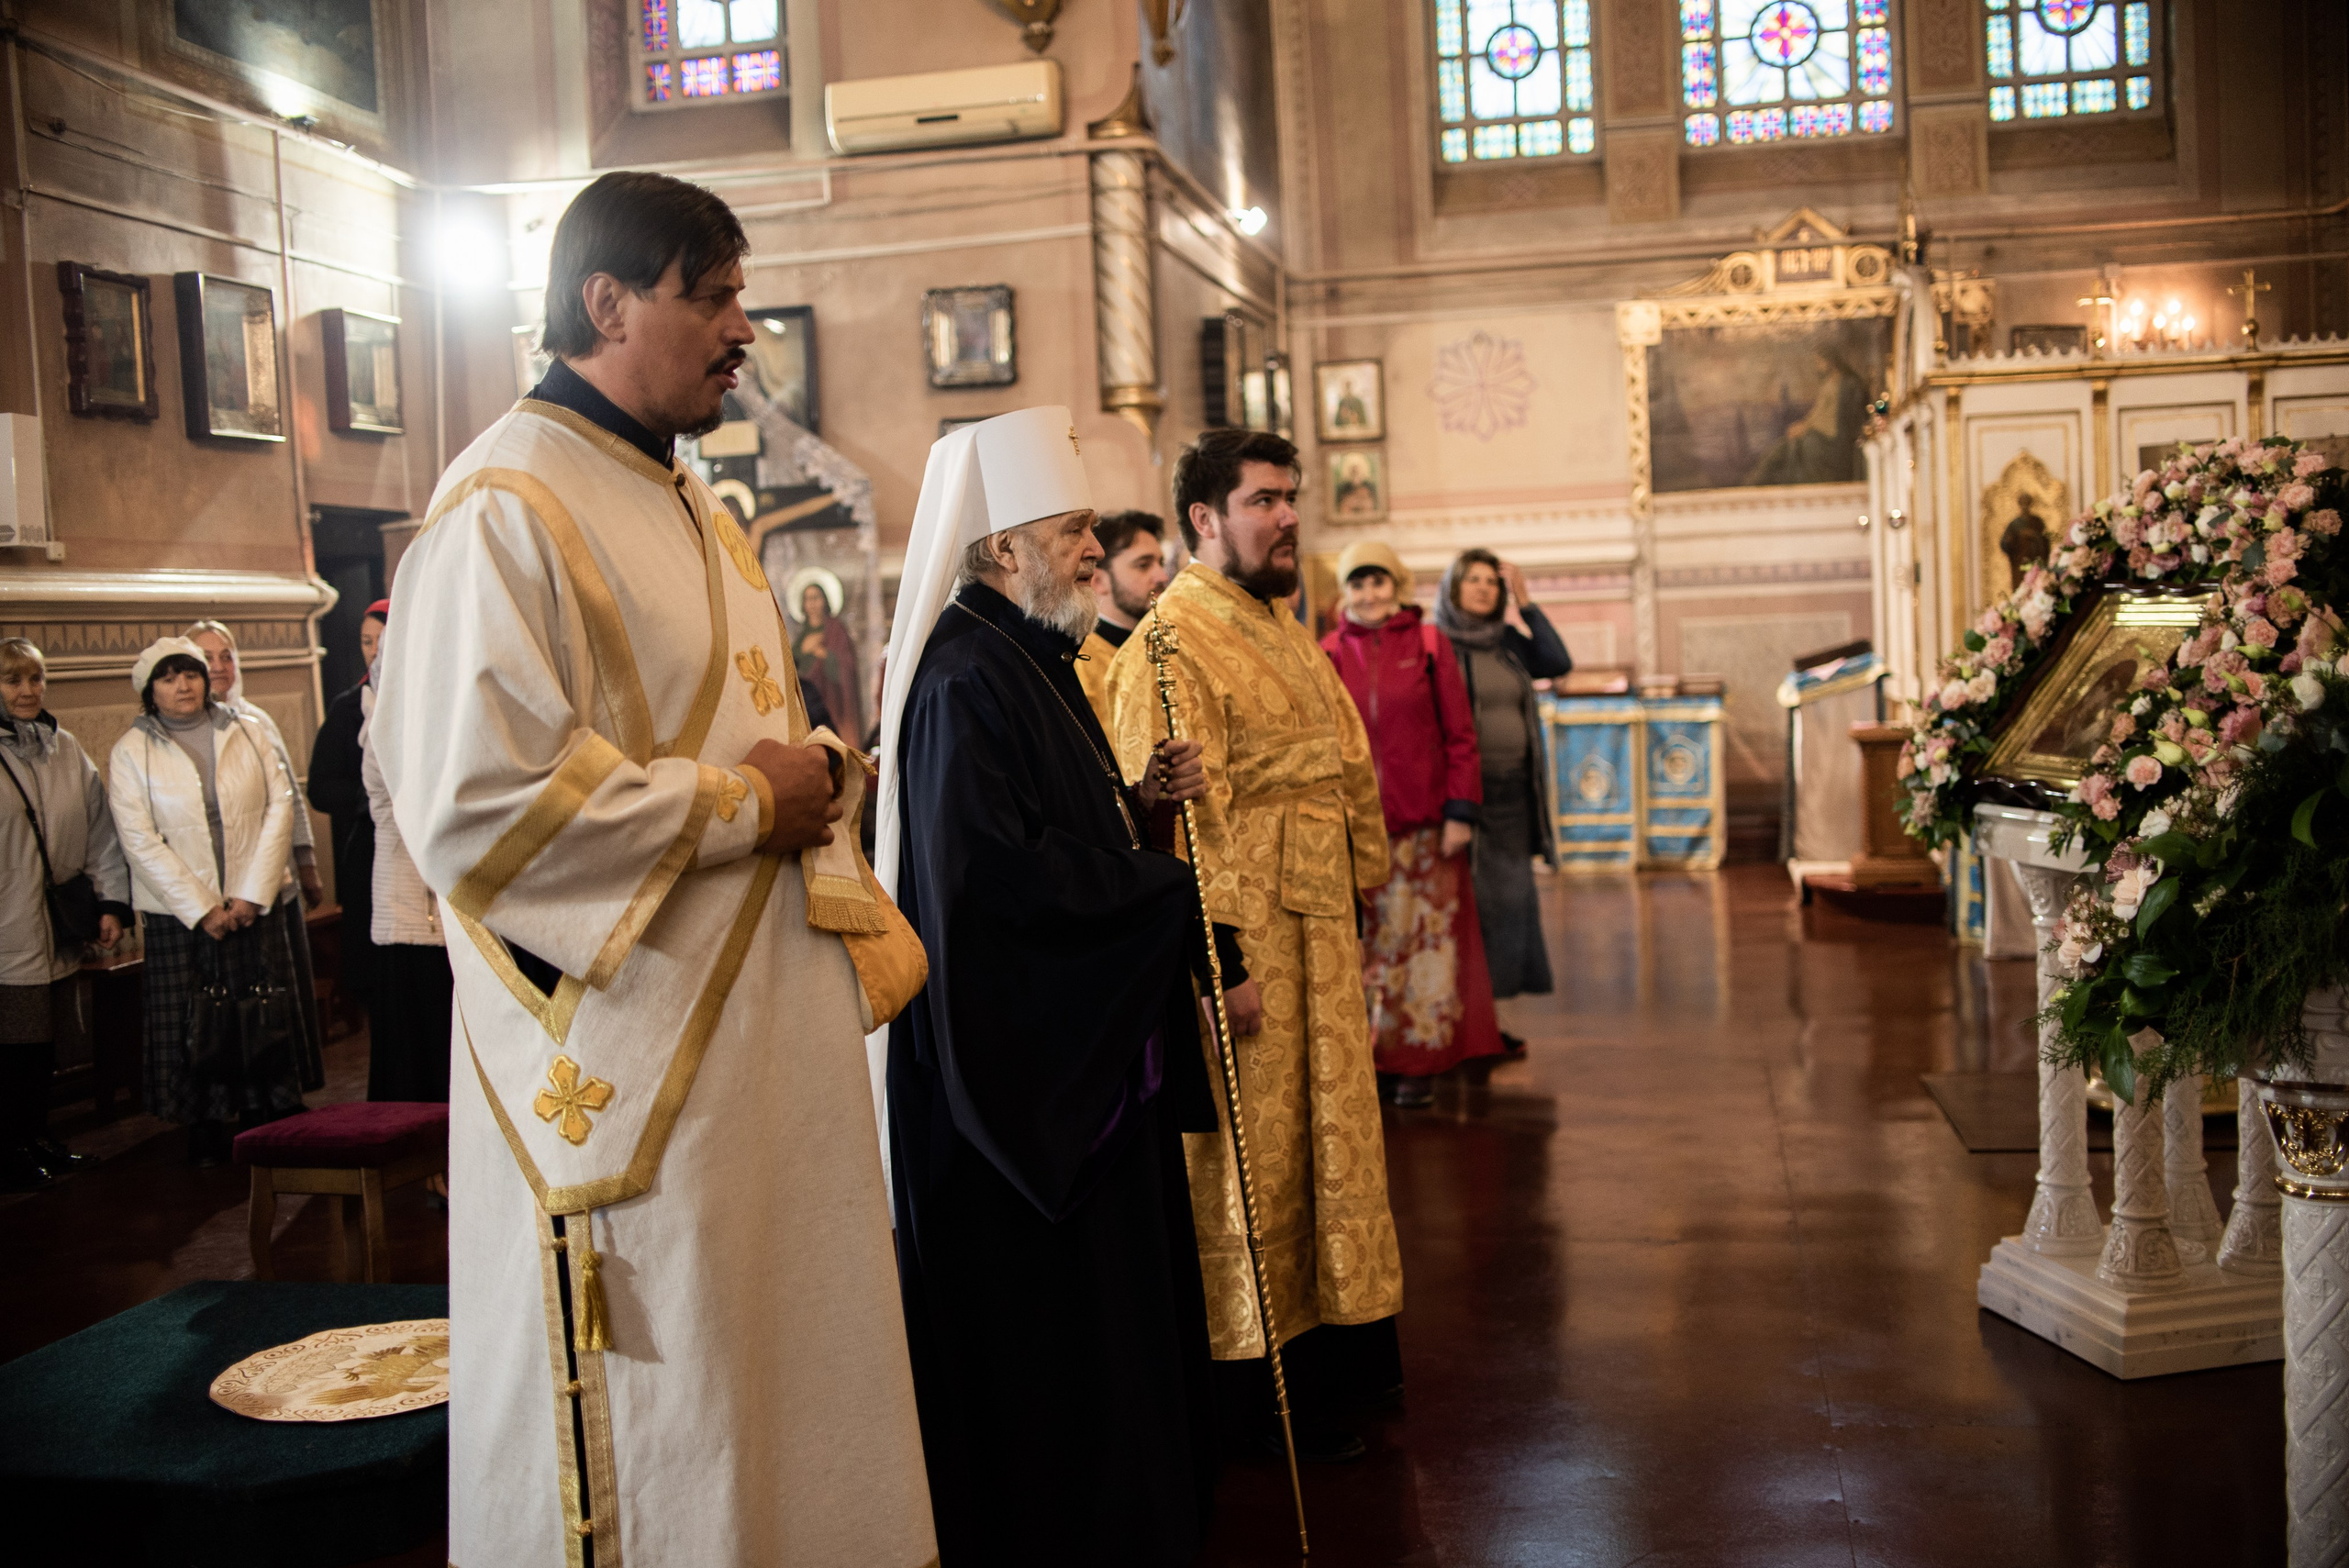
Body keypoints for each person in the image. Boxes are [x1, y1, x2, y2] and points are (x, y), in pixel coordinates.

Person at [373, 170, 934, 1566]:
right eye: (715, 295)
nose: (743, 329)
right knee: (669, 1407)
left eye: (744, 295)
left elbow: (752, 739)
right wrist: (747, 802)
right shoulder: (502, 505)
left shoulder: (692, 504)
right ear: (606, 301)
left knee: (773, 1385)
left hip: (757, 1065)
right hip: (630, 1066)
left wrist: (817, 776)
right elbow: (475, 801)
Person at [875, 407, 1219, 1565]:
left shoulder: (1029, 653)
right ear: (998, 547)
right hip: (1020, 1096)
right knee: (1053, 1357)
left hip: (1078, 1060)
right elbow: (991, 886)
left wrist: (1143, 813)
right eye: (1071, 529)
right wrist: (1157, 889)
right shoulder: (965, 675)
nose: (1092, 548)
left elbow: (1055, 834)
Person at [1105, 427, 1405, 1460]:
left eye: (1290, 498)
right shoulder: (1170, 643)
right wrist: (1215, 963)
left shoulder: (1277, 623)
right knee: (1255, 1167)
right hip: (1251, 953)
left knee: (1328, 1147)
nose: (1287, 518)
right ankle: (1257, 1393)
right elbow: (1180, 824)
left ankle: (1339, 1356)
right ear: (1204, 518)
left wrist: (1362, 879)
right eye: (1264, 500)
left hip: (1317, 935)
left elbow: (1342, 757)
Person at [110, 637, 306, 1167]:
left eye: (191, 674)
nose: (184, 685)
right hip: (181, 914)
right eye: (169, 677)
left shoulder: (247, 729)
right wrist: (202, 909)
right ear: (150, 691)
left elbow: (280, 806)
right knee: (195, 1018)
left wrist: (252, 893)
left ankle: (264, 1109)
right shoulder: (131, 751)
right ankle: (204, 1123)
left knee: (256, 1006)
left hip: (249, 901)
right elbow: (139, 839)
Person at [1322, 542, 1502, 1107]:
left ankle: (1419, 1059)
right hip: (1358, 831)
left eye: (1378, 582)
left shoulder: (1428, 644)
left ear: (1396, 586)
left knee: (1424, 947)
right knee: (1370, 946)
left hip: (1426, 828)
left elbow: (1460, 734)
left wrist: (1460, 811)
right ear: (1344, 592)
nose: (1368, 595)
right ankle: (1374, 1056)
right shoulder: (1327, 652)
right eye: (1357, 584)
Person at [0, 639, 128, 1189]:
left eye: (35, 679)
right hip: (8, 924)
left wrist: (110, 902)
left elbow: (100, 832)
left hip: (56, 922)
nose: (27, 691)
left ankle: (36, 1138)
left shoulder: (65, 748)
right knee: (15, 1046)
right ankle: (10, 1150)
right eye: (13, 680)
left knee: (47, 1042)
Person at [1434, 550, 1572, 1047]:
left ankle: (1485, 1023)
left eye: (1492, 582)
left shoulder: (1508, 641)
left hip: (1514, 794)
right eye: (1472, 580)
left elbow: (1556, 663)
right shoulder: (1436, 644)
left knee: (1509, 904)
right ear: (1453, 588)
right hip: (1461, 801)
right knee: (1465, 907)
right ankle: (1452, 1025)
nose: (1483, 589)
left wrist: (1527, 604)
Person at [186, 619, 327, 1095]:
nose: (219, 667)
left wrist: (306, 864)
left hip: (271, 879)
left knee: (281, 992)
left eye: (226, 656)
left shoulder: (255, 721)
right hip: (217, 889)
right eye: (207, 658)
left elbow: (288, 798)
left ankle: (288, 1086)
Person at [355, 627, 450, 1104]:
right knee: (414, 1046)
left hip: (446, 903)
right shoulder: (385, 728)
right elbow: (406, 807)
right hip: (409, 903)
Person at [306, 600, 387, 1029]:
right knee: (376, 974)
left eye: (382, 640)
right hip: (368, 851)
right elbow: (320, 787)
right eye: (365, 641)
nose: (374, 651)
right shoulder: (347, 708)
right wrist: (372, 795)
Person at [1074, 508, 1169, 728]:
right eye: (1143, 565)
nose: (1162, 577)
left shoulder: (1168, 643)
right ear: (1098, 581)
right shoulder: (1081, 663)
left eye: (1161, 563)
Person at [789, 569, 862, 739]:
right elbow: (791, 668)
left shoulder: (836, 630)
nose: (812, 603)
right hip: (807, 705)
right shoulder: (801, 636)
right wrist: (803, 651)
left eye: (816, 598)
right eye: (808, 599)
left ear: (825, 600)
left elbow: (847, 666)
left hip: (831, 702)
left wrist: (823, 654)